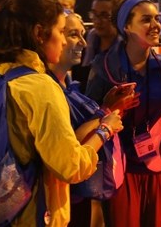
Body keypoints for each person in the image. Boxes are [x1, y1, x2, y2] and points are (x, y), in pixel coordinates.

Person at [0, 0, 123, 226]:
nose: (67, 40)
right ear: (39, 33)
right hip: (33, 213)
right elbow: (71, 166)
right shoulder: (40, 87)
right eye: (61, 31)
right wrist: (105, 130)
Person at [86, 0, 161, 226]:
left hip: (157, 167)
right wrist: (108, 110)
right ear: (126, 27)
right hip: (122, 169)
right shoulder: (105, 67)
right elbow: (87, 120)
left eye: (157, 19)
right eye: (146, 20)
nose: (156, 25)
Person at [48, 11, 133, 227]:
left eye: (83, 34)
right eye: (72, 34)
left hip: (78, 192)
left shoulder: (66, 81)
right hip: (61, 198)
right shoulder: (46, 88)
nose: (83, 42)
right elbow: (71, 146)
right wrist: (105, 123)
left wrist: (106, 106)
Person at [79, 0, 126, 89]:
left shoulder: (127, 50)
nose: (97, 21)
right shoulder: (84, 43)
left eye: (105, 16)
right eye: (94, 14)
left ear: (118, 17)